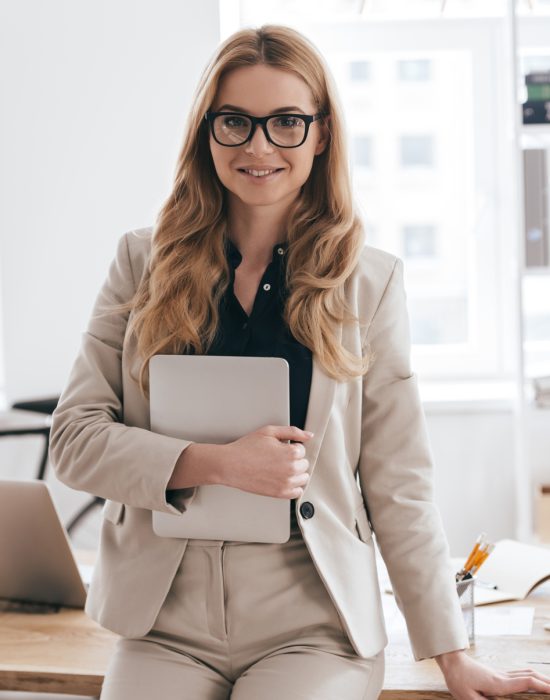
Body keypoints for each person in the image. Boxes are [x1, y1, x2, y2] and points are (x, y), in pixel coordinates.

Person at [49, 24, 550, 700]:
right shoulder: (140, 264)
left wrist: (451, 653)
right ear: (207, 132)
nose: (259, 146)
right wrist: (217, 462)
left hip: (311, 625)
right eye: (235, 122)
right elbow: (75, 442)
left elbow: (399, 482)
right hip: (163, 623)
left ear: (320, 134)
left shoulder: (370, 284)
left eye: (286, 121)